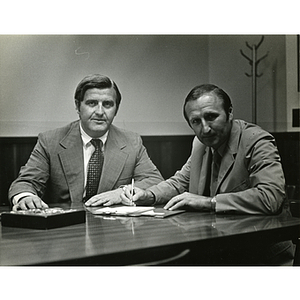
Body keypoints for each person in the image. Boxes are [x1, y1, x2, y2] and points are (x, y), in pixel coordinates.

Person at [121, 83, 294, 265]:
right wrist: (147, 195)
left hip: (261, 255)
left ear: (230, 113)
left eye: (211, 117)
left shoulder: (256, 140)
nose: (205, 129)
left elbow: (271, 197)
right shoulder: (200, 143)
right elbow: (180, 182)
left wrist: (209, 202)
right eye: (196, 121)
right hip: (221, 247)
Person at [8, 74, 163, 211]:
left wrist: (122, 192)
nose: (100, 112)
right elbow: (26, 182)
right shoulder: (50, 141)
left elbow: (155, 181)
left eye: (108, 104)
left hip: (112, 230)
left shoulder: (132, 142)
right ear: (78, 106)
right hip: (65, 231)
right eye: (92, 103)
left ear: (116, 109)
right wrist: (25, 197)